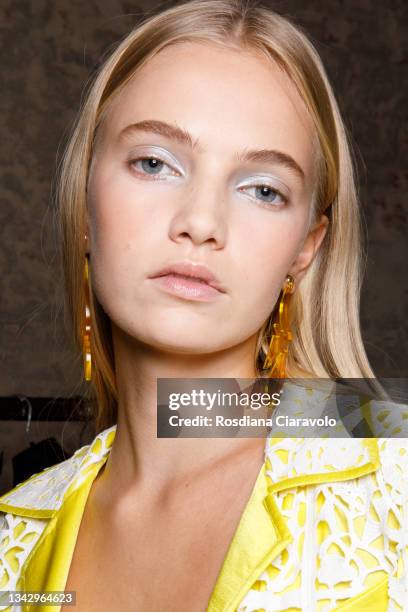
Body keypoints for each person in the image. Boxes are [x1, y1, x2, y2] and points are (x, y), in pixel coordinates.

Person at [0, 1, 406, 610]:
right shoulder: (16, 538)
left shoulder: (393, 489)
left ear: (305, 246)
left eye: (263, 189)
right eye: (155, 163)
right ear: (83, 204)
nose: (200, 222)